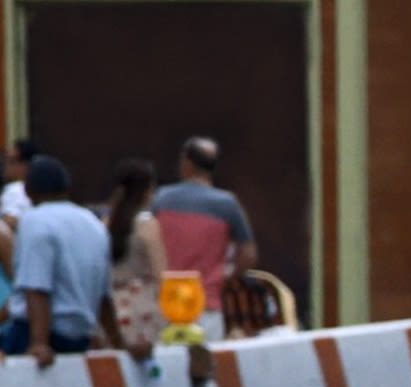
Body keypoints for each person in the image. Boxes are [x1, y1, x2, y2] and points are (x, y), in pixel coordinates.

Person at [2, 156, 149, 365]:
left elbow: (36, 288)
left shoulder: (35, 221)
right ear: (67, 188)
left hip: (36, 332)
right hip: (79, 338)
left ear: (27, 191)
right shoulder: (93, 223)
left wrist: (39, 343)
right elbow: (103, 296)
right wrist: (119, 344)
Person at [152, 136, 256, 343]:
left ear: (186, 163)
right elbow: (248, 255)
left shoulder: (161, 199)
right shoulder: (227, 205)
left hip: (166, 304)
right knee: (205, 371)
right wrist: (225, 277)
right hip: (205, 304)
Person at [104, 158, 170, 353]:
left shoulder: (104, 223)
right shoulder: (147, 225)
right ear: (147, 191)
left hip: (111, 310)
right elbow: (161, 275)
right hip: (144, 308)